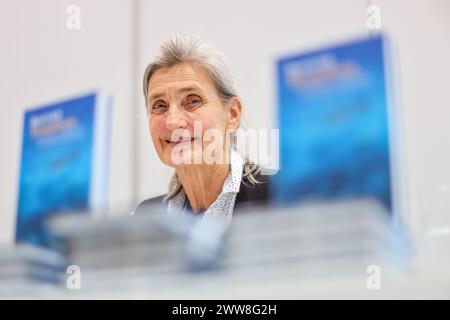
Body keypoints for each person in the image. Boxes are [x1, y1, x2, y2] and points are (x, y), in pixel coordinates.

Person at [134, 34, 271, 221]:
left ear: (232, 113)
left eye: (192, 101)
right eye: (159, 105)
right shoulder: (146, 218)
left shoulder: (279, 197)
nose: (172, 122)